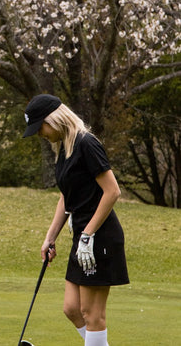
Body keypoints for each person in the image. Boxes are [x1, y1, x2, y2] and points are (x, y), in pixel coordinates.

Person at [23, 94, 129, 346]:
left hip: (99, 236)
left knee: (92, 315)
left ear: (54, 119)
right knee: (71, 308)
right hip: (82, 237)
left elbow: (112, 191)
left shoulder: (86, 143)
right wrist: (50, 238)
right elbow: (65, 198)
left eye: (41, 128)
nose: (40, 134)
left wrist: (88, 234)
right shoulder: (65, 149)